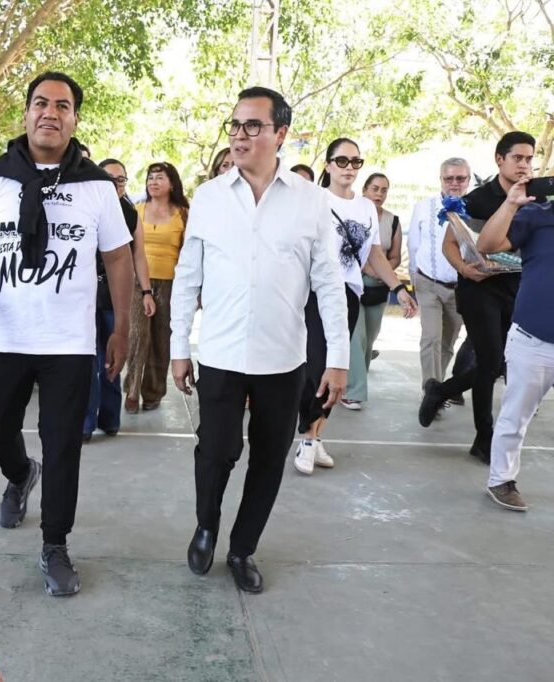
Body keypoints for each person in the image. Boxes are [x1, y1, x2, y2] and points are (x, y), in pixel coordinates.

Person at [0, 71, 135, 597]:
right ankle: (21, 472)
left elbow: (118, 258)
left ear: (75, 119)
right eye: (41, 103)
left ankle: (55, 544)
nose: (51, 112)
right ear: (26, 114)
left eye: (62, 106)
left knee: (63, 442)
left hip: (69, 341)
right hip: (4, 335)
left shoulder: (96, 186)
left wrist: (121, 328)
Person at [170, 87, 350, 593]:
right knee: (216, 450)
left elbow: (328, 281)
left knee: (270, 459)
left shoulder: (311, 201)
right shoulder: (209, 197)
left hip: (283, 357)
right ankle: (207, 526)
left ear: (281, 134)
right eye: (235, 125)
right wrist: (179, 347)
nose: (240, 135)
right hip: (222, 352)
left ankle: (242, 548)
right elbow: (188, 275)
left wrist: (338, 357)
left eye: (253, 125)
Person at [295, 138, 417, 475]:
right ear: (328, 165)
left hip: (348, 294)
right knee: (316, 365)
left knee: (336, 367)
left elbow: (374, 254)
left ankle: (315, 436)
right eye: (342, 161)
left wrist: (398, 288)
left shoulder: (365, 207)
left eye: (355, 162)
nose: (349, 168)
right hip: (314, 293)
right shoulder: (314, 200)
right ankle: (307, 437)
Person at [419, 132, 535, 463]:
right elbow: (449, 245)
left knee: (498, 363)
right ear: (500, 159)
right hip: (479, 289)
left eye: (529, 159)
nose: (524, 165)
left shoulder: (536, 196)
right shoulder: (476, 199)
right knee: (490, 360)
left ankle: (441, 390)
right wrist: (464, 270)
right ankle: (484, 438)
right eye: (517, 158)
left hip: (517, 290)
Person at [476, 177, 552, 510]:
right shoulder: (537, 215)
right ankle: (501, 480)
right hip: (533, 340)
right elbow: (487, 245)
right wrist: (511, 203)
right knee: (516, 415)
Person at [83, 159, 154, 441]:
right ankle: (85, 424)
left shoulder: (130, 213)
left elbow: (139, 256)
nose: (115, 185)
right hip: (86, 297)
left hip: (116, 298)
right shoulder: (85, 207)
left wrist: (146, 292)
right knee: (87, 362)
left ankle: (110, 419)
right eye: (108, 179)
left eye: (120, 180)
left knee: (113, 359)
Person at [123, 161, 188, 413]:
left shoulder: (183, 213)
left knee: (161, 340)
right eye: (150, 177)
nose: (153, 182)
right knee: (138, 336)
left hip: (171, 283)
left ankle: (153, 391)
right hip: (138, 282)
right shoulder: (136, 210)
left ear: (172, 184)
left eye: (160, 178)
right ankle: (132, 390)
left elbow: (189, 252)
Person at [341, 172, 403, 409]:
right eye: (375, 189)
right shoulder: (353, 213)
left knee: (369, 341)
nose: (379, 194)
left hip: (378, 288)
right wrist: (369, 268)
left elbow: (394, 256)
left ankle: (356, 382)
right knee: (356, 338)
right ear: (365, 190)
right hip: (352, 284)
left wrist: (384, 272)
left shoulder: (392, 221)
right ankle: (353, 391)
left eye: (384, 190)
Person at [408, 159, 469, 392]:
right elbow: (414, 245)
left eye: (460, 178)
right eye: (449, 178)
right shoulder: (424, 207)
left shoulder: (476, 207)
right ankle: (430, 391)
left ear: (468, 180)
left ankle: (437, 389)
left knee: (448, 342)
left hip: (460, 287)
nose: (454, 183)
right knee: (431, 337)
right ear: (440, 179)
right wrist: (414, 279)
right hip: (428, 283)